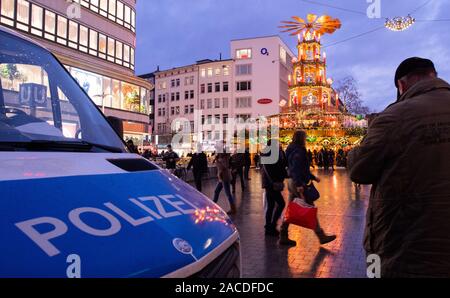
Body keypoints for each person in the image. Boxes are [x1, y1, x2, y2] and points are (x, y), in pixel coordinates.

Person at [348, 57, 450, 277]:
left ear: (401, 85)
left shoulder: (396, 116)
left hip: (409, 243)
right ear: (434, 75)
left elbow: (359, 169)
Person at [279, 130, 336, 246]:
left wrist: (313, 177)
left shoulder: (290, 149)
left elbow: (296, 168)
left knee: (290, 208)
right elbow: (296, 168)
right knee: (310, 207)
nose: (305, 139)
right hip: (297, 183)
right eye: (305, 137)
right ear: (301, 138)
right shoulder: (299, 151)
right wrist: (300, 185)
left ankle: (283, 233)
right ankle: (321, 236)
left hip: (292, 181)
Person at [261, 139, 287, 236]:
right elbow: (275, 169)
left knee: (271, 205)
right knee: (281, 203)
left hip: (269, 183)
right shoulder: (270, 155)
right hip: (272, 183)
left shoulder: (268, 154)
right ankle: (271, 225)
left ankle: (269, 227)